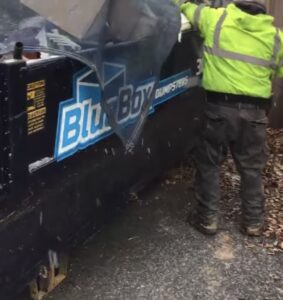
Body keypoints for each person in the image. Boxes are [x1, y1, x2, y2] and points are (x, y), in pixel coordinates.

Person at [174, 0, 283, 236]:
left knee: (209, 164)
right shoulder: (276, 37)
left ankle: (208, 219)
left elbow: (184, 6)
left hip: (219, 110)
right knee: (252, 169)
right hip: (255, 115)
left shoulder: (216, 19)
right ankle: (253, 222)